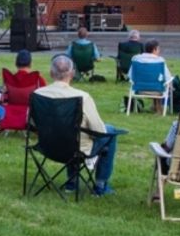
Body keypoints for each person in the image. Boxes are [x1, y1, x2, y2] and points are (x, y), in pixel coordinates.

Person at [36, 54, 118, 196]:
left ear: (51, 73)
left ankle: (72, 182)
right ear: (72, 74)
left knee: (71, 133)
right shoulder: (82, 97)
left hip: (47, 146)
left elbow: (32, 123)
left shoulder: (37, 94)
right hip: (76, 149)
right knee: (110, 131)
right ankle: (100, 185)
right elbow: (98, 130)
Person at [128, 39, 178, 114]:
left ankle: (155, 107)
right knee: (163, 82)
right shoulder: (160, 61)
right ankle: (158, 108)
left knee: (155, 81)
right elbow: (168, 77)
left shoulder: (136, 60)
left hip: (139, 89)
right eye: (158, 49)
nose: (159, 51)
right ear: (154, 49)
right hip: (157, 90)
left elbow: (130, 76)